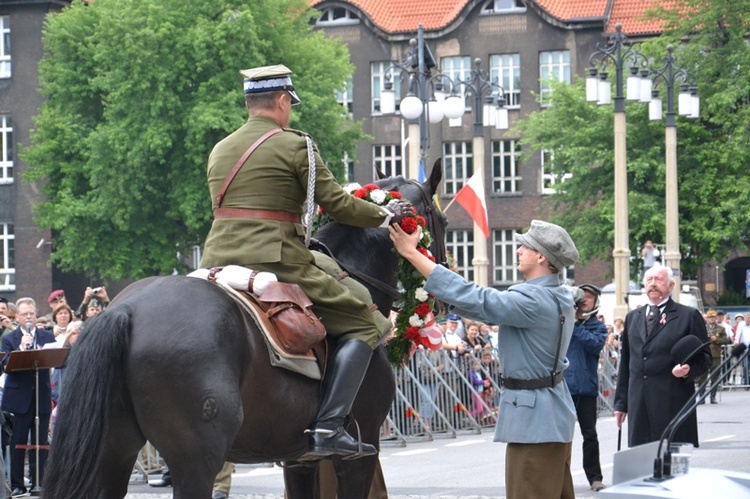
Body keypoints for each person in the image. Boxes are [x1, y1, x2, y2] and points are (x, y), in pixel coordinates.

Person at [199, 64, 412, 461]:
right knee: (367, 322)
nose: (289, 112)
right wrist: (385, 215)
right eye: (289, 105)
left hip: (217, 260)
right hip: (277, 259)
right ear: (282, 102)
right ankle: (329, 428)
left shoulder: (220, 148)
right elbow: (338, 205)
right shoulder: (296, 145)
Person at [390, 219, 580, 499]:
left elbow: (479, 298)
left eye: (524, 246)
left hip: (533, 423)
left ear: (541, 257)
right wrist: (442, 295)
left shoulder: (533, 300)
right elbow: (485, 307)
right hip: (550, 416)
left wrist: (411, 253)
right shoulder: (558, 295)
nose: (518, 250)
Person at [613, 265, 712, 448]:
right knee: (641, 463)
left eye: (658, 280)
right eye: (649, 280)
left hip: (672, 402)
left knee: (670, 464)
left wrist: (688, 370)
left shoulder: (687, 316)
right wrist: (621, 403)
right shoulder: (633, 317)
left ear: (671, 285)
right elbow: (627, 362)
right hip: (639, 404)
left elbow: (705, 357)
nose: (653, 284)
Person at [1, 298, 56, 496]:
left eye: (32, 313)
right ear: (17, 317)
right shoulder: (10, 338)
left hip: (41, 395)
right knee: (18, 442)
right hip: (18, 398)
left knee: (40, 442)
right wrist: (21, 350)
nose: (29, 317)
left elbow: (58, 358)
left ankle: (38, 483)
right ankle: (17, 484)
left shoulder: (46, 336)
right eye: (25, 314)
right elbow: (5, 364)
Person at [563, 283, 607, 492]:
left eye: (589, 296)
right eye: (582, 295)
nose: (584, 299)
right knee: (561, 436)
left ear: (595, 301)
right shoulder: (562, 322)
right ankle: (560, 478)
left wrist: (576, 326)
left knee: (589, 434)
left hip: (586, 388)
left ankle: (595, 478)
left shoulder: (597, 326)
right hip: (563, 388)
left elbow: (595, 345)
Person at [696, 310, 730, 404]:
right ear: (707, 318)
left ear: (715, 318)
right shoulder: (703, 328)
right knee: (702, 377)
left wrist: (717, 339)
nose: (711, 319)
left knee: (714, 377)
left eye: (713, 317)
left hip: (716, 355)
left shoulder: (721, 329)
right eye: (710, 317)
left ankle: (713, 397)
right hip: (705, 354)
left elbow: (726, 340)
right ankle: (701, 397)